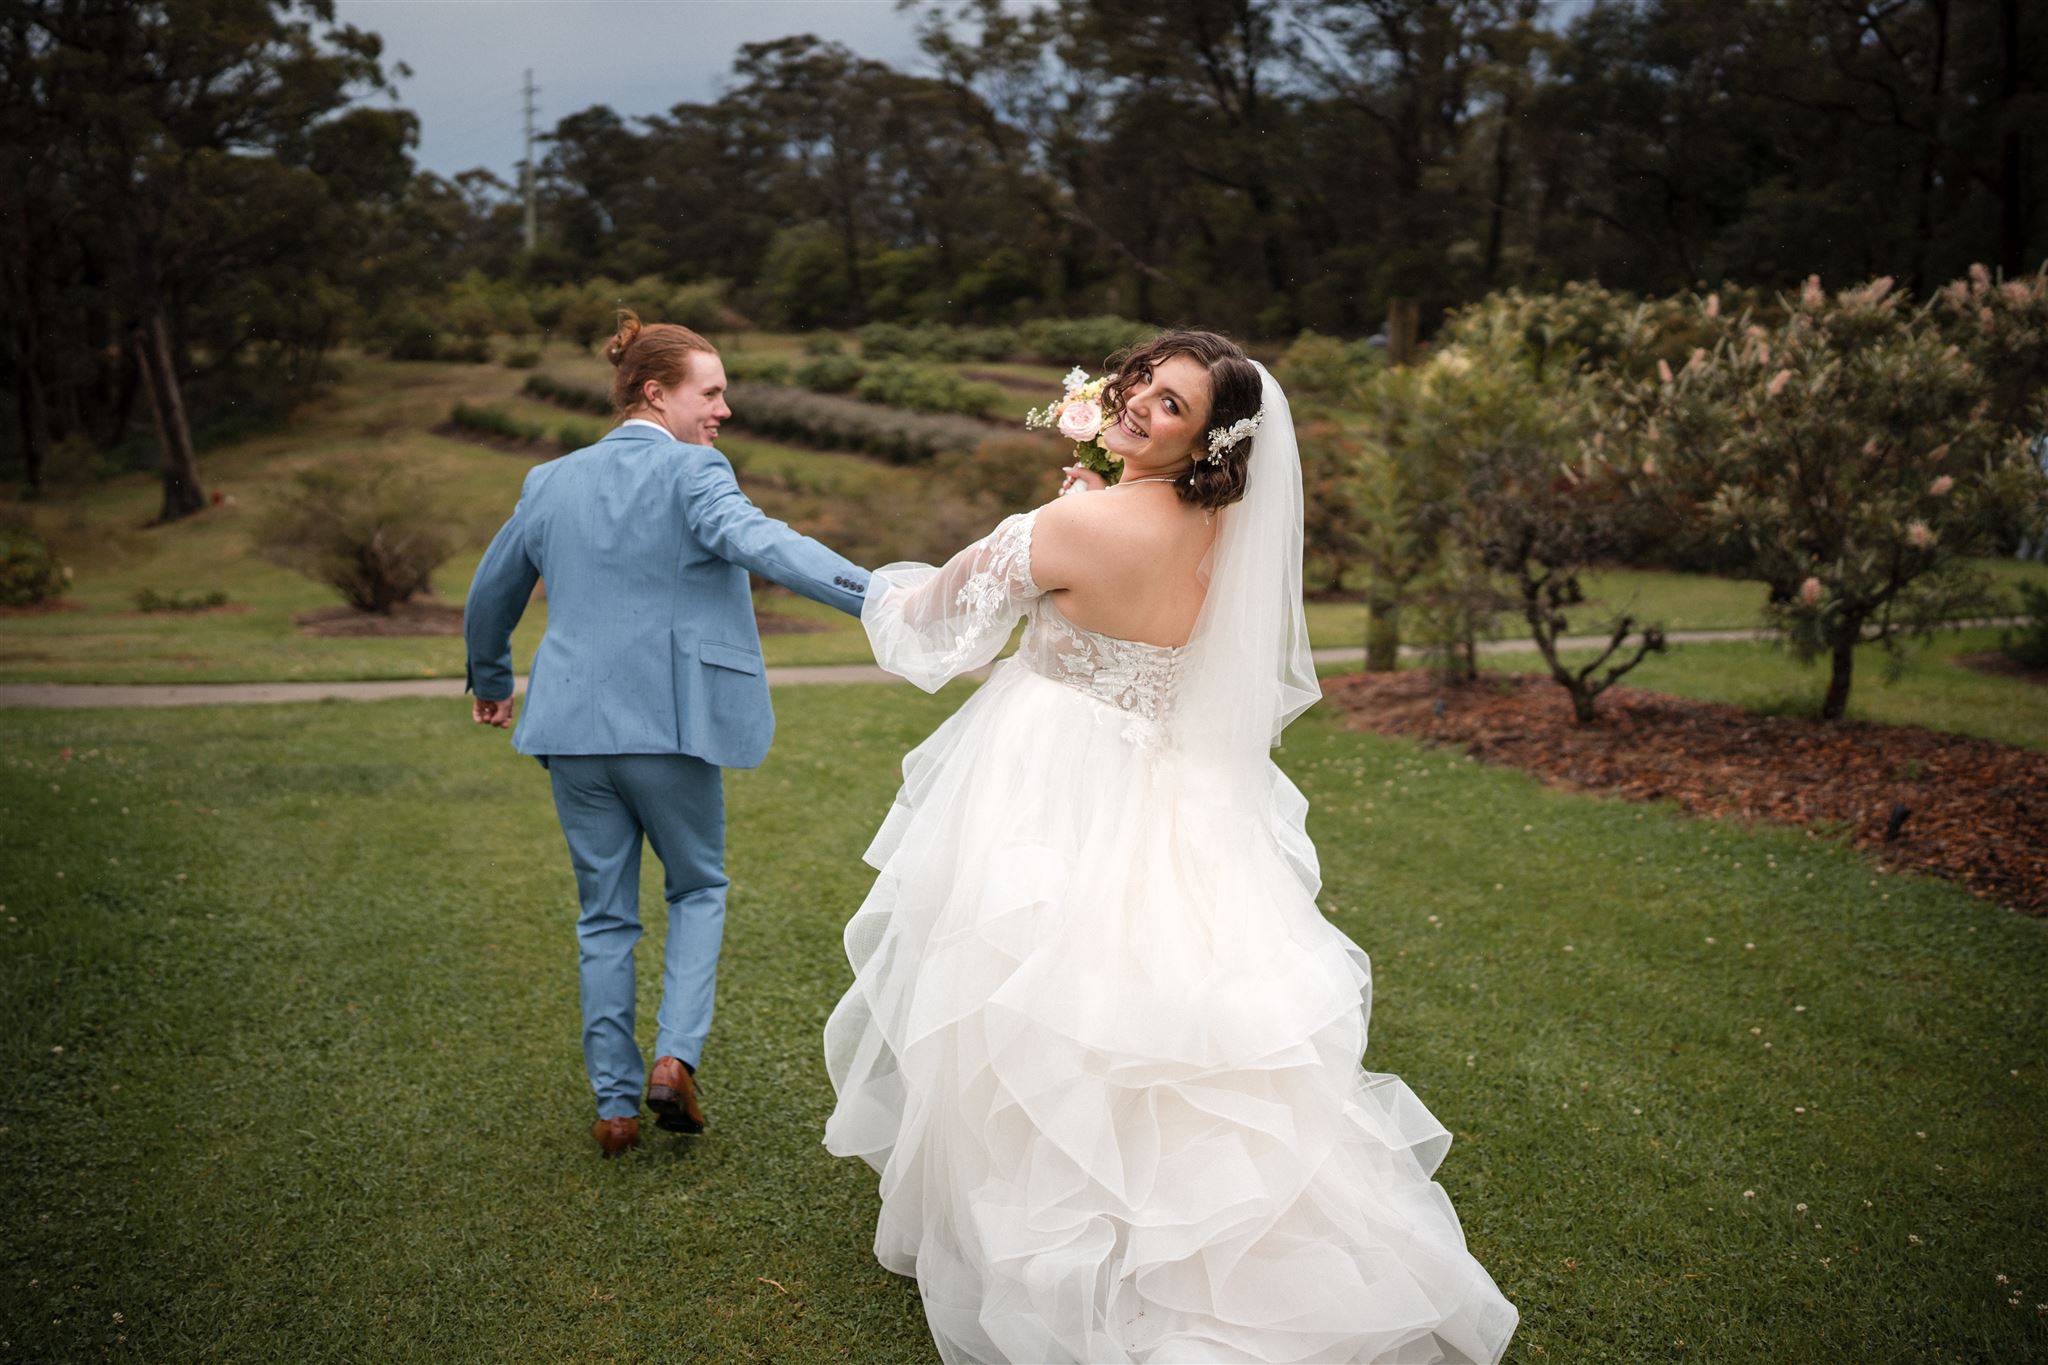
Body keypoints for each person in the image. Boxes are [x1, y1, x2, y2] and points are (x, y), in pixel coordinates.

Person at [823, 330, 1519, 1362]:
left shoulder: (1068, 527)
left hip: (1048, 778)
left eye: (1172, 405)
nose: (1140, 402)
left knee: (1029, 1001)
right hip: (1174, 790)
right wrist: (1085, 499)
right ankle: (1201, 1221)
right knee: (1169, 1006)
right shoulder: (1231, 533)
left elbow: (924, 630)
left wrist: (1040, 524)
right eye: (1142, 382)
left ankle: (1047, 1238)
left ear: (1205, 441)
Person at [464, 312, 871, 1157]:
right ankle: (673, 1059)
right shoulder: (695, 472)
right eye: (711, 392)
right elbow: (765, 542)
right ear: (657, 392)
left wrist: (494, 682)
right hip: (668, 728)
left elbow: (490, 592)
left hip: (572, 730)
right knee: (697, 889)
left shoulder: (549, 480)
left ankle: (614, 1107)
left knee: (603, 919)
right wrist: (883, 596)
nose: (723, 410)